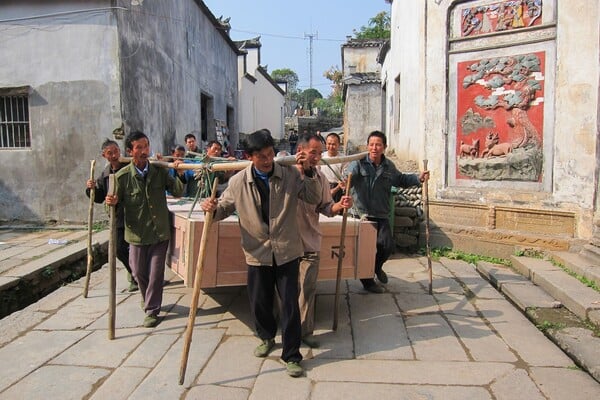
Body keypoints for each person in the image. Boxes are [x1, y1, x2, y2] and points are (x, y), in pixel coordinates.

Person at [200, 128, 321, 377]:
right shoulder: (237, 182)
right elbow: (222, 210)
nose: (267, 160)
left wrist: (308, 171)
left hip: (287, 251)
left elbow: (312, 196)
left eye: (270, 155)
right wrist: (210, 208)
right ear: (250, 156)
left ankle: (291, 355)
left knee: (290, 304)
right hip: (257, 252)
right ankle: (266, 337)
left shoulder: (289, 175)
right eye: (261, 157)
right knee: (260, 302)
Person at [105, 131, 184, 328]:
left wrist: (178, 172)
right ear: (130, 151)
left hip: (159, 233)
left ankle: (151, 309)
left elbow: (178, 191)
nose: (143, 151)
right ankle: (147, 298)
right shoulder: (122, 177)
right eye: (138, 147)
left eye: (146, 146)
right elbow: (110, 208)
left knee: (156, 275)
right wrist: (111, 202)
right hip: (137, 235)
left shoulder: (159, 171)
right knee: (139, 272)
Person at [345, 131, 429, 294]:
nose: (374, 148)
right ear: (367, 146)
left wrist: (418, 178)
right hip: (361, 214)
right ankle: (368, 282)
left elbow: (402, 179)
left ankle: (376, 267)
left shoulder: (389, 166)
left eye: (378, 144)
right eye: (371, 144)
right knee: (366, 249)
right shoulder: (359, 164)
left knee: (387, 246)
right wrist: (345, 182)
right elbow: (349, 176)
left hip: (381, 214)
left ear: (384, 147)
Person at [295, 133, 352, 348]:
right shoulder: (285, 173)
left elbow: (326, 208)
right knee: (286, 292)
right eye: (313, 153)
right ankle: (287, 329)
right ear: (300, 150)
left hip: (309, 242)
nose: (318, 157)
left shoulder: (320, 178)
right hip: (286, 244)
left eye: (320, 153)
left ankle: (306, 331)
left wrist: (341, 205)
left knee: (308, 290)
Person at [85, 139, 138, 292]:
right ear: (104, 155)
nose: (114, 155)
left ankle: (140, 276)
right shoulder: (106, 174)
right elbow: (100, 196)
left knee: (139, 249)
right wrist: (91, 189)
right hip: (118, 217)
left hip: (135, 214)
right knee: (119, 249)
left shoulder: (130, 168)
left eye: (116, 151)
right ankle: (135, 275)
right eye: (110, 153)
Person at [321, 132, 347, 203]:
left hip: (337, 190)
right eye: (329, 144)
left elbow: (344, 178)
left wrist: (335, 190)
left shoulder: (344, 159)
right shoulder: (321, 157)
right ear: (326, 144)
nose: (331, 146)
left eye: (333, 144)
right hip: (322, 188)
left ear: (339, 145)